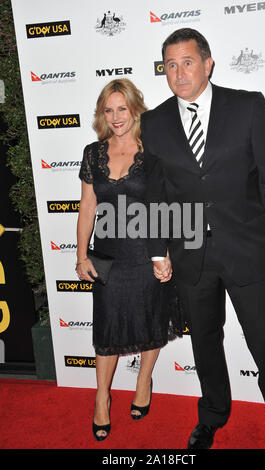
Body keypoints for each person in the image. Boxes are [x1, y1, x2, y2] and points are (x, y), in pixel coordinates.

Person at [141, 28, 265, 449]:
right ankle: (212, 414)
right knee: (205, 343)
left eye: (188, 62)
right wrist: (159, 250)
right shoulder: (153, 123)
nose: (179, 73)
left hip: (250, 248)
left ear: (208, 64)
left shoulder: (247, 107)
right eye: (170, 65)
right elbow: (155, 194)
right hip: (191, 255)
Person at [76, 78, 179, 442]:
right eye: (109, 110)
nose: (116, 116)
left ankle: (143, 380)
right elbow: (88, 206)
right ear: (102, 114)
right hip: (107, 253)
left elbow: (165, 205)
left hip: (146, 250)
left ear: (135, 108)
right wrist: (80, 254)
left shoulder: (154, 152)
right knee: (107, 326)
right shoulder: (93, 152)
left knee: (151, 316)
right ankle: (101, 397)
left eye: (122, 108)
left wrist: (163, 251)